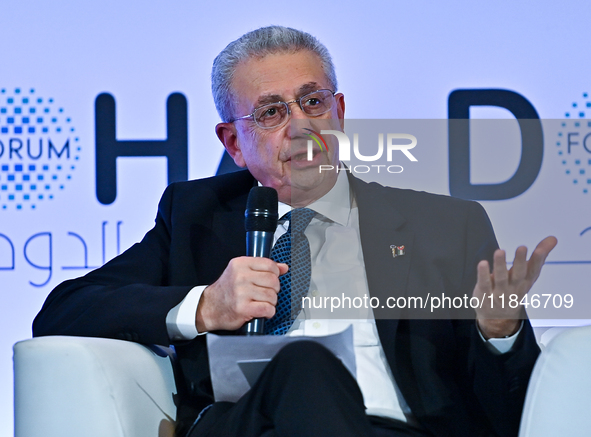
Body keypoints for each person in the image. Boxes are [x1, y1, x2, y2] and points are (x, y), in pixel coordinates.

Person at [33, 26, 557, 437]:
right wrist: (205, 306)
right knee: (305, 364)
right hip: (249, 427)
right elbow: (63, 309)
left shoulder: (445, 226)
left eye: (313, 101)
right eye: (271, 112)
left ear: (341, 112)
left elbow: (509, 411)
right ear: (234, 144)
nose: (302, 124)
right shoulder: (195, 216)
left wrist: (500, 335)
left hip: (395, 430)